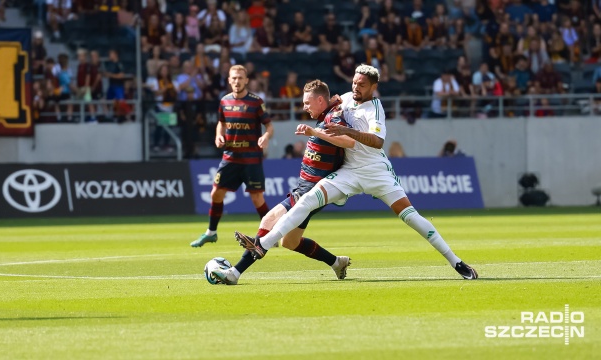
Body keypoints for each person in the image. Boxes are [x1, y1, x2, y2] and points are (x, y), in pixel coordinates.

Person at [234, 65, 478, 280]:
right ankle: (263, 245)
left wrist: (346, 131)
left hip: (376, 171)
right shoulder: (348, 98)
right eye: (354, 82)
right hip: (349, 171)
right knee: (307, 199)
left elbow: (377, 142)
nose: (356, 87)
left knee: (411, 217)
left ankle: (455, 261)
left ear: (374, 86)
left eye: (362, 84)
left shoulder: (375, 109)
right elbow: (330, 104)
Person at [211, 80, 354, 285]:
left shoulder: (333, 118)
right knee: (290, 241)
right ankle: (336, 262)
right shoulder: (326, 116)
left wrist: (315, 132)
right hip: (304, 188)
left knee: (268, 221)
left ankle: (235, 272)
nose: (304, 107)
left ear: (320, 100)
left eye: (307, 102)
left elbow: (350, 141)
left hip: (312, 191)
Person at [190, 65, 274, 247]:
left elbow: (269, 126)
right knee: (216, 194)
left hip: (251, 158)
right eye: (234, 78)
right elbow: (221, 123)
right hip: (230, 157)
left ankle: (271, 234)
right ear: (229, 80)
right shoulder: (224, 102)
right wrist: (218, 135)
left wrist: (266, 137)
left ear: (246, 80)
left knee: (257, 198)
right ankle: (211, 232)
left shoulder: (256, 102)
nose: (237, 81)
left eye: (240, 78)